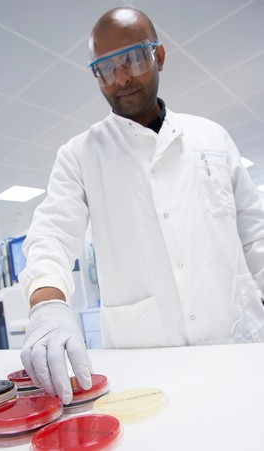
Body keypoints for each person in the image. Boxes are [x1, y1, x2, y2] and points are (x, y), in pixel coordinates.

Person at [19, 7, 264, 404]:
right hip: (147, 363)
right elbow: (51, 234)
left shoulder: (212, 137)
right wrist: (46, 304)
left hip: (239, 341)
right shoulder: (80, 155)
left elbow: (256, 239)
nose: (121, 77)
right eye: (105, 67)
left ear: (159, 56)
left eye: (132, 58)